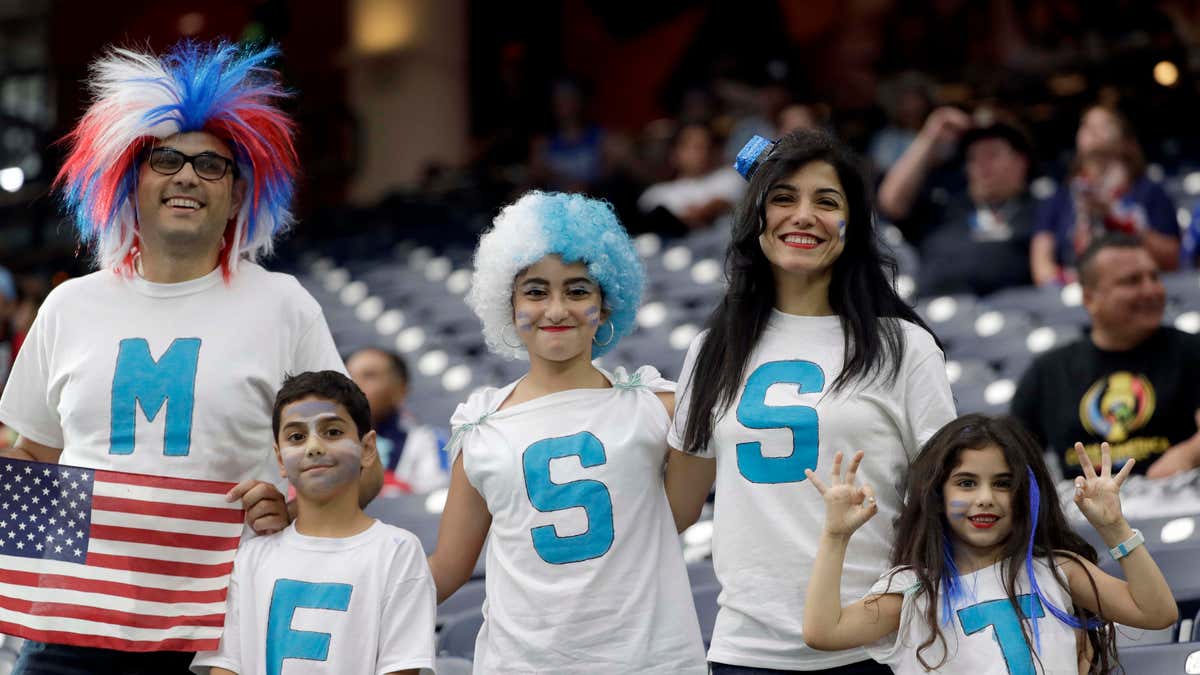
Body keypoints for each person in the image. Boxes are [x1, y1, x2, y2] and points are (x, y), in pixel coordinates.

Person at [0, 41, 380, 673]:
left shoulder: (284, 306)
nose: (185, 176)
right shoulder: (68, 307)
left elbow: (359, 464)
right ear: (130, 181)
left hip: (220, 634)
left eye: (212, 166)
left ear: (237, 197)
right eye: (166, 158)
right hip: (67, 630)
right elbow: (30, 455)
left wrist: (298, 505)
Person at [666, 129, 956, 673]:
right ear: (756, 219)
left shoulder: (905, 347)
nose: (803, 215)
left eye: (827, 202)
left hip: (877, 649)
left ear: (853, 226)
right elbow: (674, 509)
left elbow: (945, 500)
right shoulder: (712, 350)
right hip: (743, 652)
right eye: (783, 198)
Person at [427, 191, 707, 673]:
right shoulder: (482, 427)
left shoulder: (659, 407)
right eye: (535, 291)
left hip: (649, 662)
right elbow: (447, 570)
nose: (556, 309)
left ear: (607, 303)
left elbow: (678, 516)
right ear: (507, 303)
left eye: (578, 291)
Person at [802, 414, 1177, 674]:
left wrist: (1114, 528)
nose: (985, 498)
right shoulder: (913, 590)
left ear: (1025, 494)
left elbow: (1156, 613)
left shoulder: (1059, 570)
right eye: (966, 483)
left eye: (1002, 483)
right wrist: (836, 536)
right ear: (935, 495)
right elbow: (824, 631)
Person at [192, 371, 435, 675]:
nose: (313, 447)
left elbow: (401, 668)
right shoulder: (250, 558)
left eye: (332, 432)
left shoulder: (397, 551)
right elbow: (226, 668)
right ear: (280, 459)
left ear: (368, 448)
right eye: (297, 436)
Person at [1012, 233, 1200, 479]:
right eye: (1132, 281)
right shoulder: (1048, 372)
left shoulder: (1192, 352)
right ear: (1090, 299)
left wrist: (1189, 454)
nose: (1151, 289)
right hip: (1083, 512)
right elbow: (1012, 460)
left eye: (1154, 277)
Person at [877, 110, 1039, 295]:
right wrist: (930, 135)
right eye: (973, 158)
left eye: (992, 155)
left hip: (1013, 316)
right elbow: (891, 202)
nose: (981, 164)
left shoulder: (1040, 209)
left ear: (1021, 161)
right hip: (933, 313)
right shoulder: (947, 207)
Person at [1031, 104, 1180, 285]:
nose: (1093, 130)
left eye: (1105, 125)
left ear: (1124, 140)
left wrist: (1116, 218)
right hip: (1075, 292)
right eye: (1086, 125)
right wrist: (1073, 284)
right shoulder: (1059, 198)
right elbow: (1041, 265)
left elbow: (1172, 260)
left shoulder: (1149, 191)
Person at [346, 347, 448, 494]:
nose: (354, 384)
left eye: (369, 376)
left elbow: (437, 499)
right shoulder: (323, 441)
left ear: (400, 389)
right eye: (348, 376)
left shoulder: (427, 441)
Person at [637, 122, 745, 233]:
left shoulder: (730, 177)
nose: (701, 153)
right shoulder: (654, 194)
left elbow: (713, 207)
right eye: (692, 147)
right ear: (674, 153)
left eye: (705, 146)